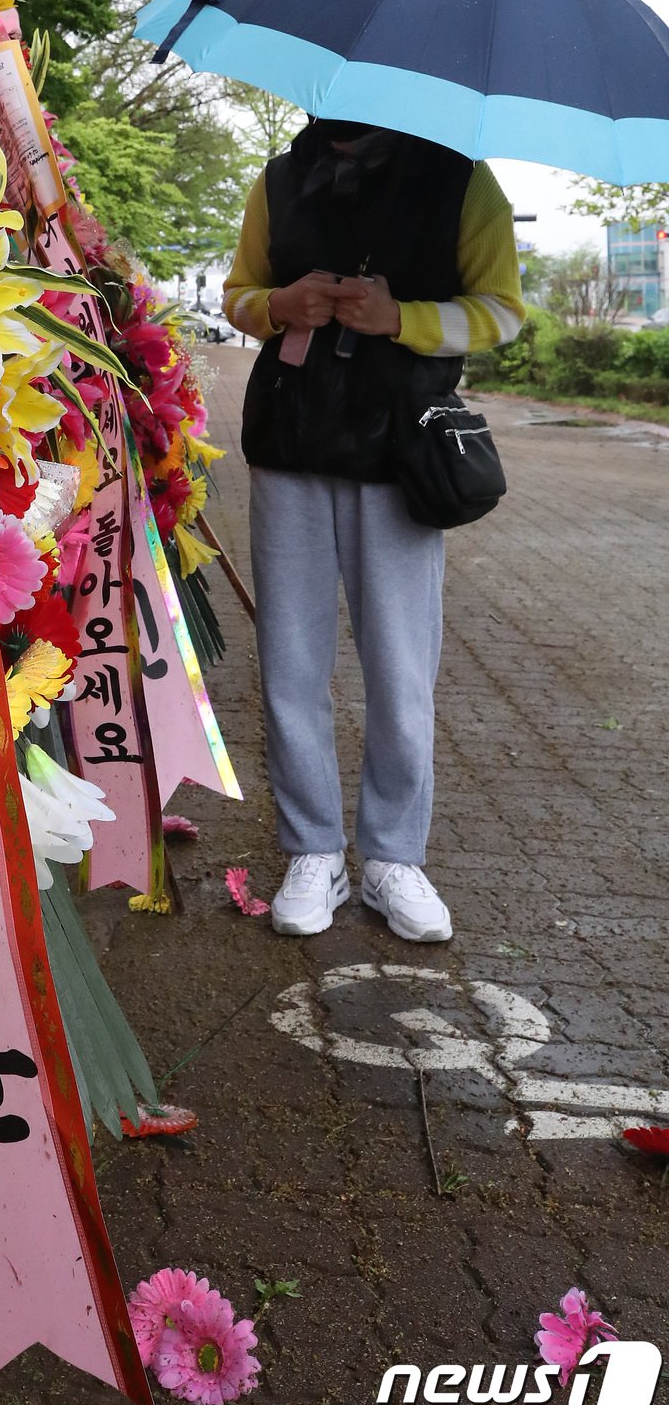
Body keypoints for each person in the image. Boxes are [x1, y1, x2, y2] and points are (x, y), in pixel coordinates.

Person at [222, 120, 524, 943]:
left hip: (401, 452)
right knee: (290, 660)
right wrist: (277, 305)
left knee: (399, 664)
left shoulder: (465, 183)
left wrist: (404, 318)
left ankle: (395, 857)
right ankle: (313, 849)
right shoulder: (281, 179)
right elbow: (238, 293)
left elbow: (500, 313)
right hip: (288, 445)